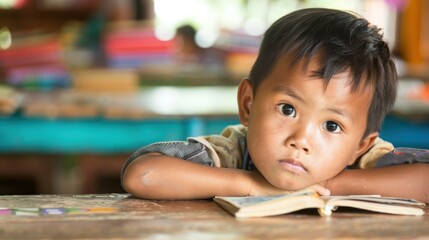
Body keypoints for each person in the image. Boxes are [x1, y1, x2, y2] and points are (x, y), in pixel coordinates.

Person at [121, 8, 429, 202]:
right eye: (287, 109)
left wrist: (330, 183)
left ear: (361, 146)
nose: (301, 140)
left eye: (332, 126)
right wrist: (253, 185)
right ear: (248, 104)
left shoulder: (360, 160)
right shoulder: (235, 151)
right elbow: (143, 175)